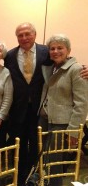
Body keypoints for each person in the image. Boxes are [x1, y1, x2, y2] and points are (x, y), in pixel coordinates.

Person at [4, 22, 51, 185]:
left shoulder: (47, 52)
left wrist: (83, 68)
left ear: (35, 34)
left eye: (27, 34)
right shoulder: (9, 55)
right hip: (18, 107)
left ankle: (34, 173)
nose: (24, 38)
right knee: (19, 142)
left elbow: (62, 63)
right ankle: (21, 174)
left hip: (40, 108)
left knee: (37, 142)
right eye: (20, 35)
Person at [37, 34, 88, 185]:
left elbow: (82, 103)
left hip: (61, 123)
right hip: (45, 120)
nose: (56, 51)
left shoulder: (76, 69)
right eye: (52, 48)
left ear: (68, 50)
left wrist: (73, 131)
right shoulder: (51, 68)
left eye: (60, 48)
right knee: (45, 159)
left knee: (55, 163)